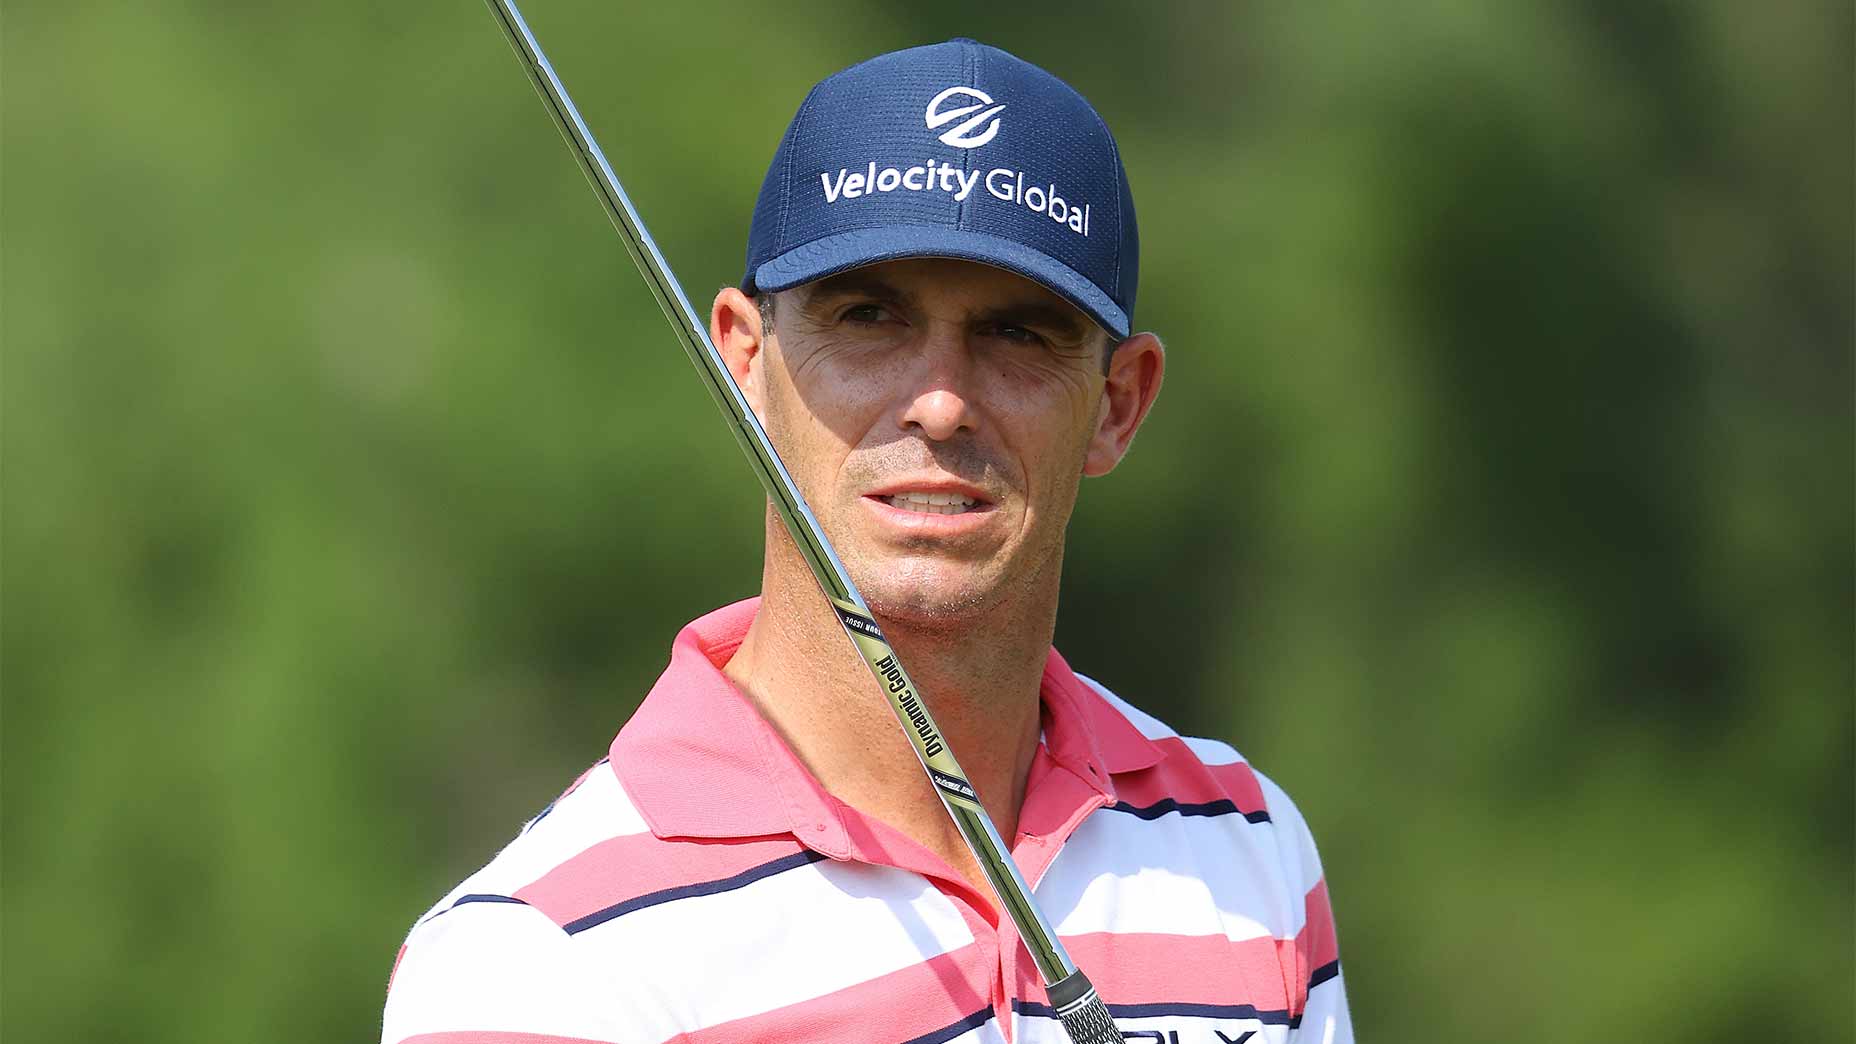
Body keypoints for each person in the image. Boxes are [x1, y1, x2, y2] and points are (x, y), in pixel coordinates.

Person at [382, 38, 1352, 1044]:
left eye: (1017, 334)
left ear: (1117, 403)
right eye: (867, 317)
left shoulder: (1242, 847)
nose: (939, 403)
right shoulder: (536, 962)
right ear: (744, 364)